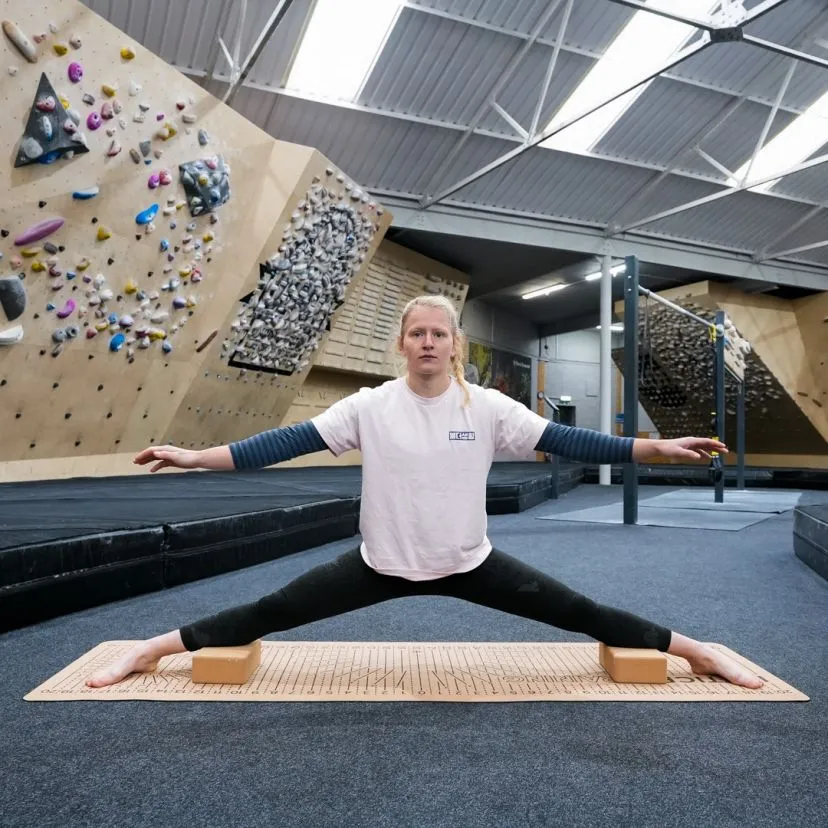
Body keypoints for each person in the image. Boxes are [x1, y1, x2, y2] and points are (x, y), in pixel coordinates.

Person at [87, 295, 764, 689]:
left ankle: (694, 650)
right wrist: (193, 458)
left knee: (582, 611)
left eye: (440, 334)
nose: (429, 343)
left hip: (469, 562)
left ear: (455, 345)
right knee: (268, 611)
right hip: (379, 564)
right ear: (403, 344)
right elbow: (281, 444)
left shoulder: (487, 406)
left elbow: (572, 441)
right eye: (418, 333)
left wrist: (655, 447)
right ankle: (152, 648)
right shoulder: (369, 405)